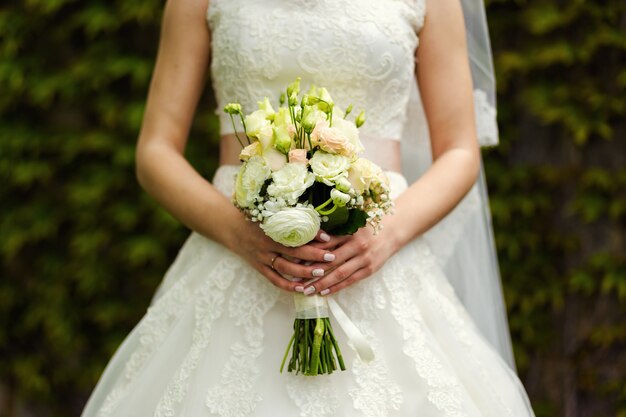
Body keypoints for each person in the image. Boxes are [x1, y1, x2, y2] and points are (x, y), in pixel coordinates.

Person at [81, 0, 535, 415]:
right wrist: (236, 231)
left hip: (378, 254)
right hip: (235, 251)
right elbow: (155, 150)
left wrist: (387, 233)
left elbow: (460, 151)